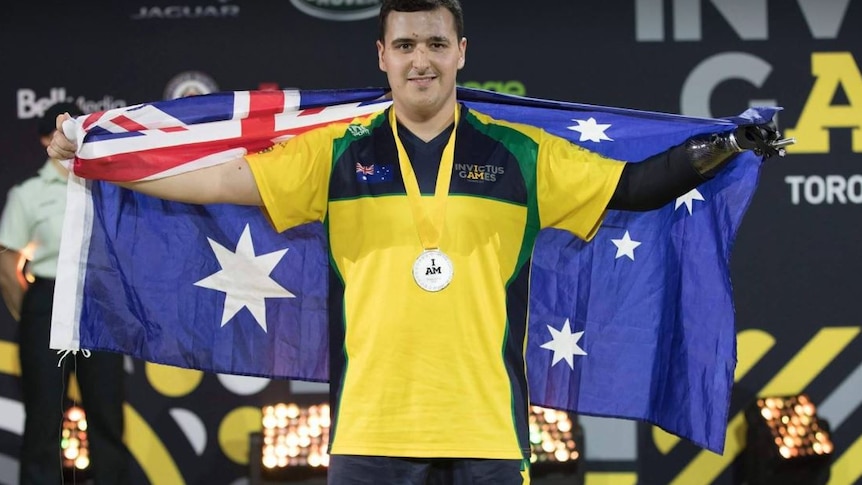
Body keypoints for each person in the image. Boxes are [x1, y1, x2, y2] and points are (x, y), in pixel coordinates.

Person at [47, 1, 781, 483]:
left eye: (435, 42)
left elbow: (635, 187)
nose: (420, 57)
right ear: (382, 56)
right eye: (405, 44)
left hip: (489, 436)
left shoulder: (522, 155)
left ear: (461, 51)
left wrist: (724, 146)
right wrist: (99, 158)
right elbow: (216, 180)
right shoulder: (336, 154)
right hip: (369, 431)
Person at [1, 102, 132, 484]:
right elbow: (8, 267)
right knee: (43, 414)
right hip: (47, 300)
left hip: (98, 300)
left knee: (107, 410)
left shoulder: (106, 186)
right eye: (62, 131)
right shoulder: (28, 193)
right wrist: (33, 310)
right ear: (46, 138)